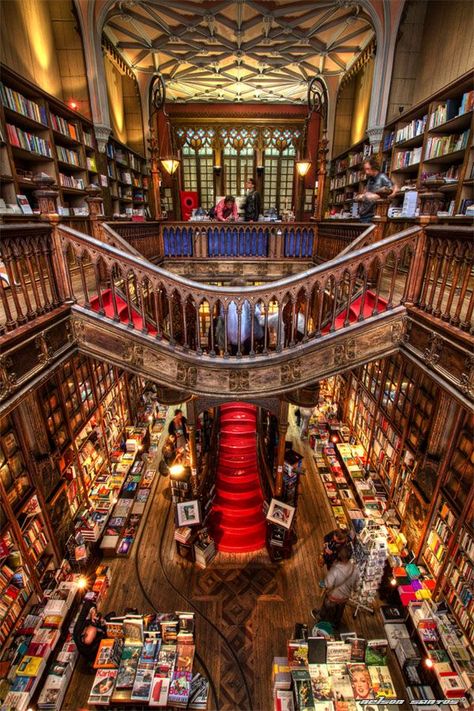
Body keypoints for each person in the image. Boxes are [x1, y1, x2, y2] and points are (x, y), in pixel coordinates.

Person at [312, 545, 360, 630]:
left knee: (326, 610)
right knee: (339, 612)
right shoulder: (355, 569)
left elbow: (328, 584)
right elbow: (356, 584)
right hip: (345, 597)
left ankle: (320, 619)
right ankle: (336, 625)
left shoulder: (336, 569)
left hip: (333, 596)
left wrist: (324, 584)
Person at [355, 158, 397, 223]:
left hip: (374, 214)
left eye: (368, 169)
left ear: (374, 167)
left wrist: (377, 196)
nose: (366, 172)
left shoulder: (382, 177)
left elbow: (392, 191)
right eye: (365, 169)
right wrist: (362, 196)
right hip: (364, 213)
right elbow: (365, 193)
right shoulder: (370, 179)